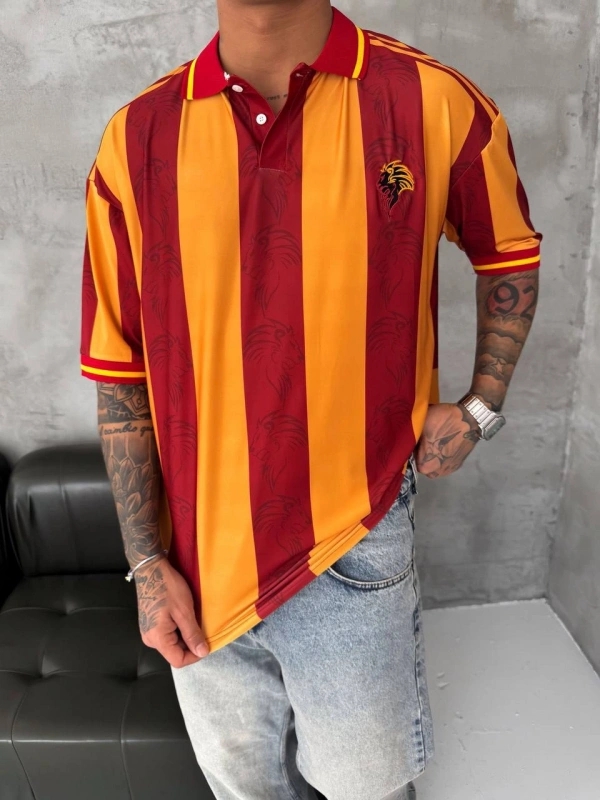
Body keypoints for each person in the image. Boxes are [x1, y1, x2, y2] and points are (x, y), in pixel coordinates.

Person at [79, 1, 541, 798]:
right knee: (244, 789)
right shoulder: (137, 138)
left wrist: (480, 407)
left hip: (354, 536)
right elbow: (121, 372)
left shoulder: (430, 101)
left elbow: (509, 254)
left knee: (366, 789)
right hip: (194, 552)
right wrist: (147, 562)